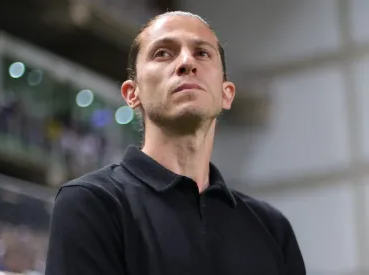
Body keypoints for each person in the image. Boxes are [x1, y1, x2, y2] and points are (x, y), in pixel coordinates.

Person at [45, 11, 306, 275]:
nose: (186, 62)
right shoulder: (92, 204)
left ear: (227, 94)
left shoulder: (272, 228)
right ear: (132, 94)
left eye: (202, 53)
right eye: (163, 53)